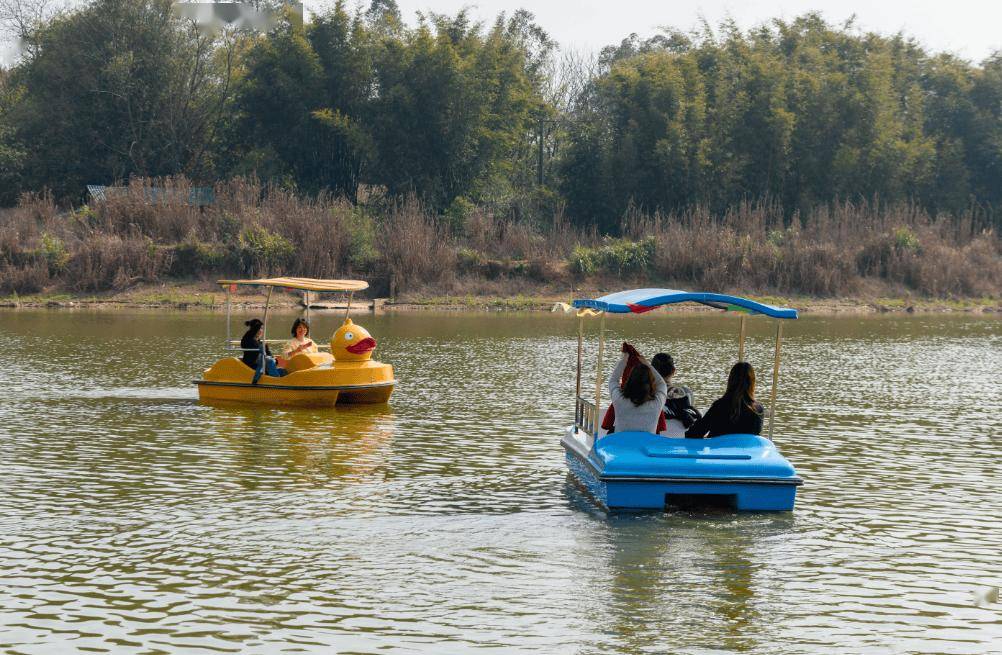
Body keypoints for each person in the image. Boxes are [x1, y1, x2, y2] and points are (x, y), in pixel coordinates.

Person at [685, 362, 763, 438]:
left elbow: (692, 434)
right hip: (746, 451)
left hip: (719, 450)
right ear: (752, 383)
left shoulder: (719, 406)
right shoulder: (758, 410)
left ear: (730, 381)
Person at [608, 342, 668, 434]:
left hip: (621, 446)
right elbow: (661, 383)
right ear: (650, 384)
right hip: (647, 447)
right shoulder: (657, 403)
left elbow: (613, 380)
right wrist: (647, 364)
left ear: (628, 382)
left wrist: (624, 359)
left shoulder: (619, 400)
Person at [651, 353, 702, 436]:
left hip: (656, 439)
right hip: (682, 438)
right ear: (673, 371)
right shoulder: (686, 393)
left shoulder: (646, 395)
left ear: (651, 372)